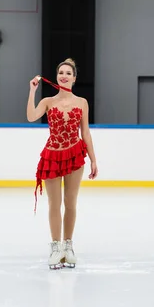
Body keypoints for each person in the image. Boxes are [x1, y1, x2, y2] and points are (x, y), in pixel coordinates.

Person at [27, 58, 98, 269]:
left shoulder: (82, 102)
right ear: (57, 77)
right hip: (52, 156)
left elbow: (85, 132)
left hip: (75, 155)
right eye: (61, 73)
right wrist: (32, 91)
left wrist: (94, 159)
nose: (64, 76)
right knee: (53, 204)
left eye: (68, 73)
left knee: (71, 203)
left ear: (74, 78)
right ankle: (56, 247)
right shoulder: (48, 102)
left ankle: (68, 246)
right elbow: (31, 117)